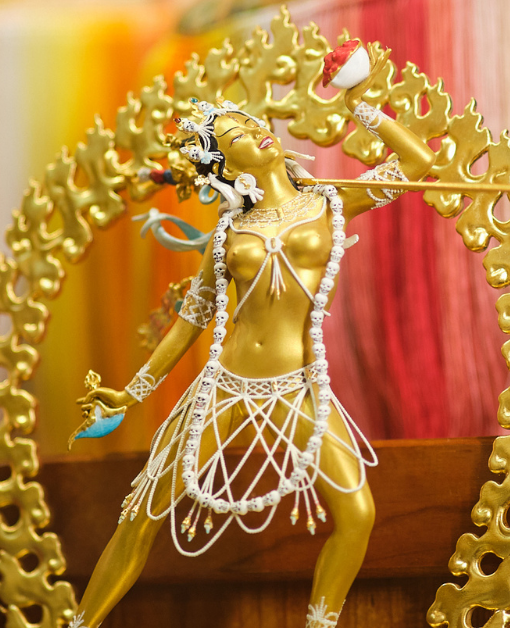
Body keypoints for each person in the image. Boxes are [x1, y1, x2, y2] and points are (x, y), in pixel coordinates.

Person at [74, 42, 436, 628]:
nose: (256, 132)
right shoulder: (227, 233)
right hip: (222, 386)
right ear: (224, 165)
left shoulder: (330, 204)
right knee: (140, 514)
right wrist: (133, 392)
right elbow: (192, 318)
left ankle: (319, 624)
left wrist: (362, 109)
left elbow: (417, 164)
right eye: (236, 135)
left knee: (358, 514)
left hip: (299, 386)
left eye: (252, 123)